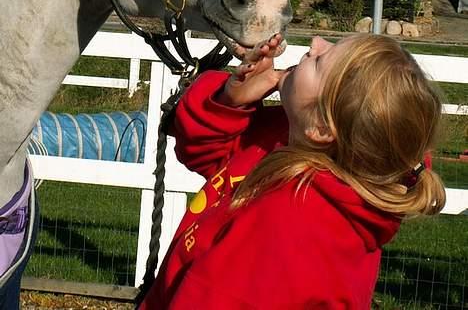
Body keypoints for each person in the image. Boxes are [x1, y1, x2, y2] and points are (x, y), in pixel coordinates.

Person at [139, 33, 446, 309]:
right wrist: (231, 102)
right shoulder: (296, 146)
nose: (316, 42)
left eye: (321, 61)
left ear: (322, 126)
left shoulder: (287, 225)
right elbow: (208, 157)